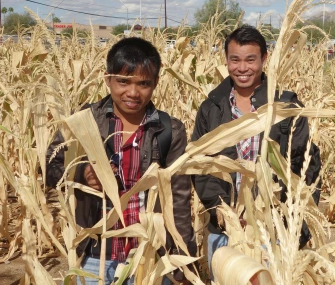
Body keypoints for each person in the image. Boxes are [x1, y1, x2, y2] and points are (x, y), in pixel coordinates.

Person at [45, 37, 195, 285]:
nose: (133, 93)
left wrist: (182, 262)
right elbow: (50, 169)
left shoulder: (169, 130)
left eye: (143, 84)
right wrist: (80, 173)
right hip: (94, 255)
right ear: (108, 80)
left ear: (155, 83)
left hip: (149, 254)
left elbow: (178, 200)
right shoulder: (83, 122)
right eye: (123, 82)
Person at [192, 25, 321, 275]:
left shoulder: (285, 107)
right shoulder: (211, 108)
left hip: (273, 233)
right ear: (226, 60)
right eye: (235, 60)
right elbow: (200, 165)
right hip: (225, 231)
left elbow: (305, 168)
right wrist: (221, 208)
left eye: (251, 59)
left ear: (264, 59)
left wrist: (296, 229)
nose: (242, 68)